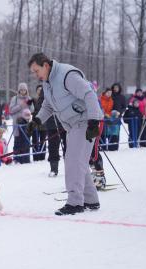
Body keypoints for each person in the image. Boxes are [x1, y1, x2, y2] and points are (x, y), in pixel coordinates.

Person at [27, 53, 103, 215]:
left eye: (36, 70)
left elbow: (89, 94)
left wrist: (94, 121)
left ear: (46, 65)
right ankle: (91, 199)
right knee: (79, 161)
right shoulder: (47, 83)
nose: (35, 75)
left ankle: (75, 203)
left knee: (73, 160)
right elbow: (48, 105)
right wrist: (37, 121)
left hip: (86, 122)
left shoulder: (67, 75)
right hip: (72, 125)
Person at [9, 82, 34, 158]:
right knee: (18, 140)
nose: (23, 91)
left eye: (24, 90)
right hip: (17, 123)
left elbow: (32, 110)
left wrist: (29, 105)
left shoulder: (29, 98)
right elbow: (11, 110)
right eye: (21, 90)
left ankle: (26, 158)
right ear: (19, 91)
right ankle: (17, 158)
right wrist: (20, 106)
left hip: (26, 123)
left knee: (26, 140)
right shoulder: (15, 98)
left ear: (26, 90)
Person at [31, 85, 47, 161]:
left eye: (41, 90)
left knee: (43, 140)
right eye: (38, 90)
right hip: (35, 123)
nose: (40, 91)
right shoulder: (33, 100)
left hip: (43, 123)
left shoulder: (46, 100)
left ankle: (42, 156)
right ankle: (35, 156)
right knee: (35, 140)